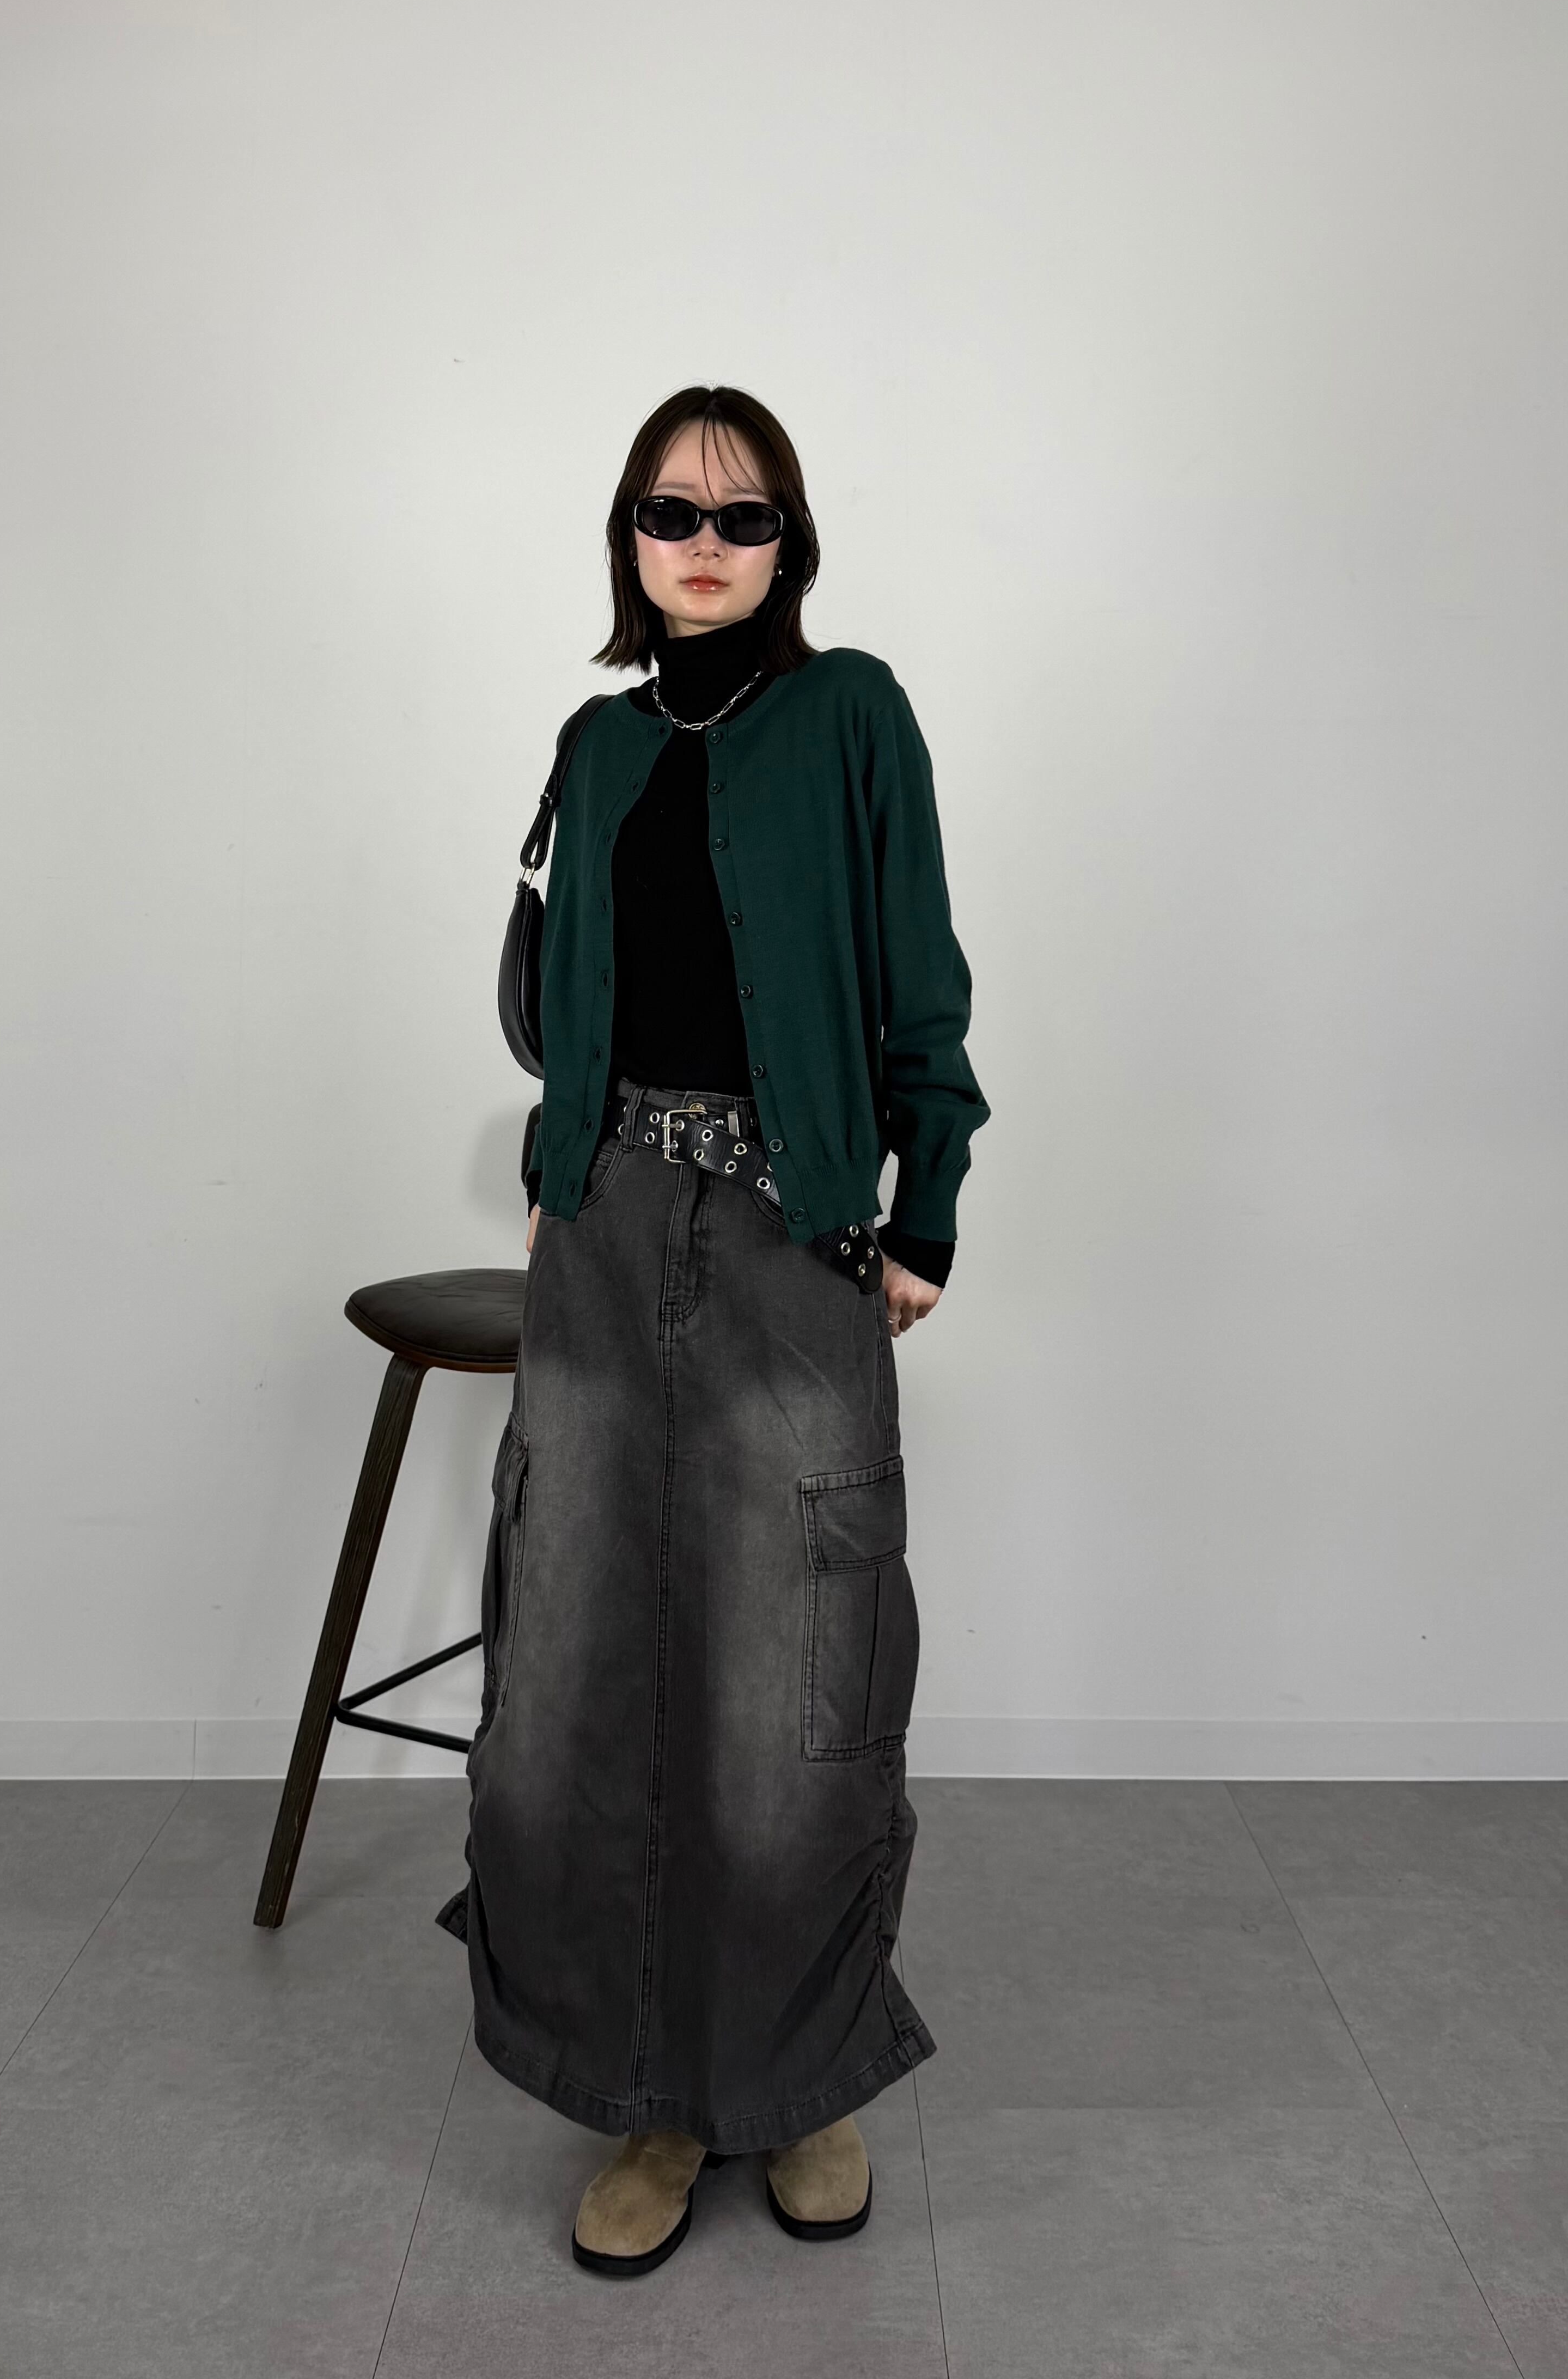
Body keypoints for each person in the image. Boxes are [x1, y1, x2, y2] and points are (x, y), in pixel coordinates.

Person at [437, 385, 989, 2276]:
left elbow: (919, 968)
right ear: (628, 533)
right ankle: (652, 2097)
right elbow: (568, 988)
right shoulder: (595, 744)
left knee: (800, 1685)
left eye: (743, 517)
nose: (703, 543)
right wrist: (557, 1168)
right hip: (603, 1231)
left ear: (789, 543)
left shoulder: (853, 716)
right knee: (579, 1680)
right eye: (670, 510)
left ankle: (797, 2079)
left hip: (789, 1227)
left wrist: (926, 1202)